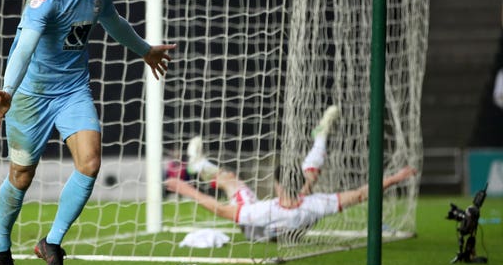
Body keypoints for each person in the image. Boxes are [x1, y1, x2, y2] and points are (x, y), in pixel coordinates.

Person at [0, 0, 176, 265]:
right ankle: (1, 246)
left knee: (90, 161)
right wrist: (7, 91)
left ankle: (52, 243)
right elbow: (24, 46)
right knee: (22, 176)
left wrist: (146, 51)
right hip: (30, 95)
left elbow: (115, 24)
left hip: (72, 91)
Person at [166, 105, 417, 241]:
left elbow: (222, 210)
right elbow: (362, 194)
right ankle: (320, 137)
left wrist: (186, 189)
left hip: (256, 230)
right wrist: (394, 178)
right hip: (297, 219)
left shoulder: (263, 210)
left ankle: (197, 165)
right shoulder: (316, 203)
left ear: (276, 186)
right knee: (310, 178)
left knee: (231, 182)